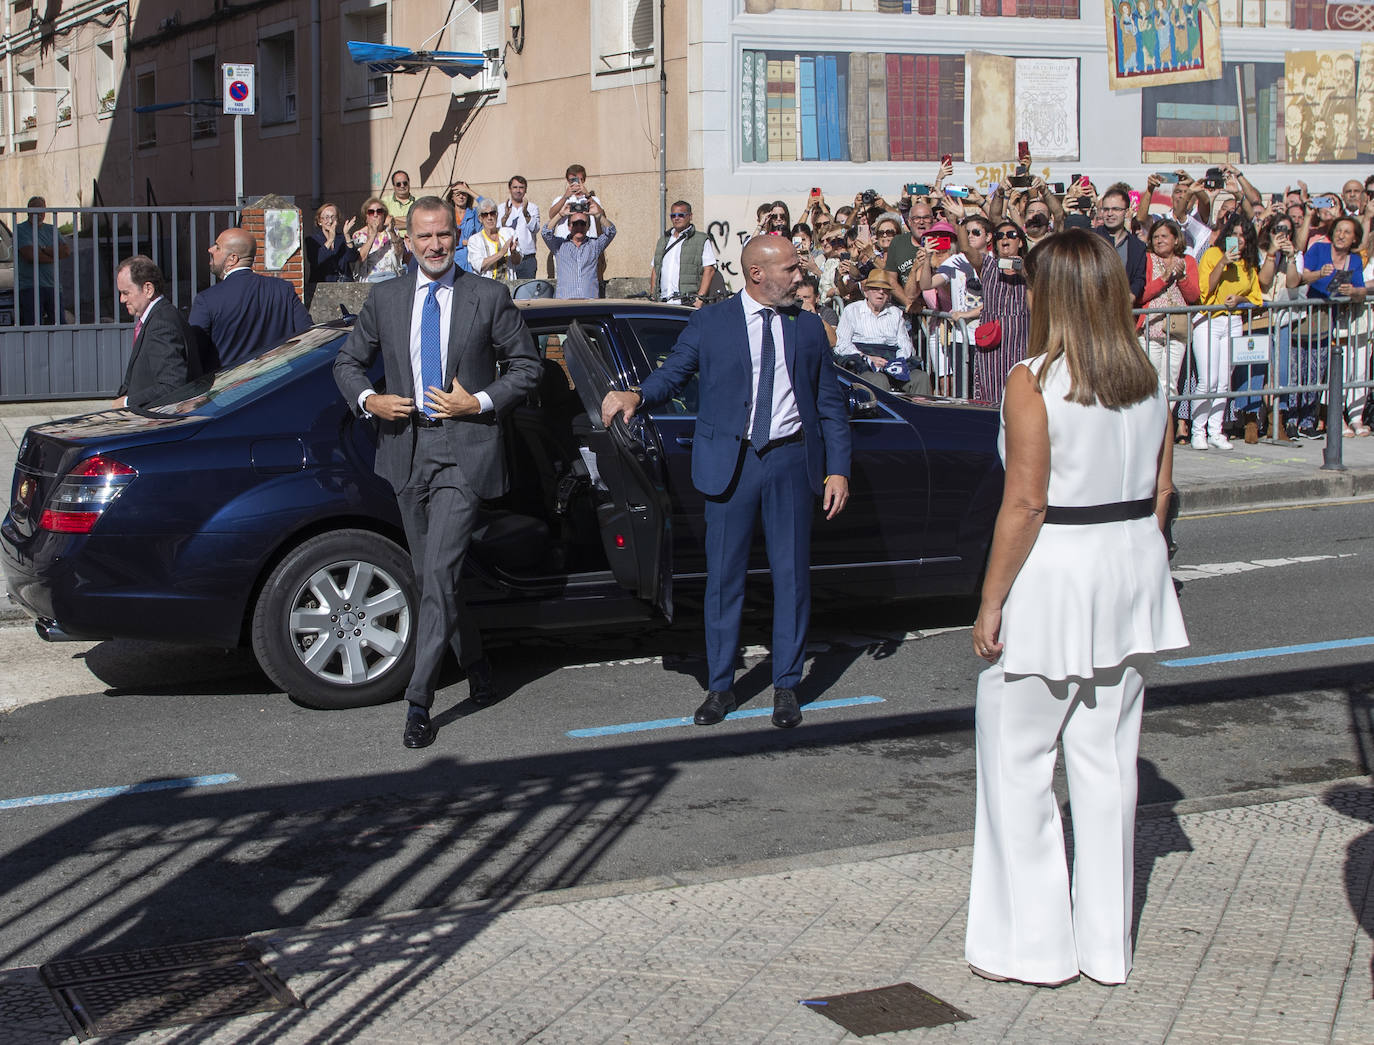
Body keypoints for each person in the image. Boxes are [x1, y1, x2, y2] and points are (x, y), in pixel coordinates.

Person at [965, 229, 1188, 989]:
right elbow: (1162, 494)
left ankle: (1035, 947)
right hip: (1130, 569)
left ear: (1049, 295)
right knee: (1106, 765)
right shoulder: (1149, 375)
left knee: (1017, 762)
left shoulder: (1033, 380)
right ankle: (1104, 948)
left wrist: (991, 600)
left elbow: (1024, 502)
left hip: (1058, 573)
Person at [600, 236, 852, 730]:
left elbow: (830, 403)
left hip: (789, 462)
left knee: (792, 579)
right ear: (757, 273)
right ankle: (720, 687)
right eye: (790, 271)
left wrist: (838, 468)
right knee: (723, 581)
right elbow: (673, 375)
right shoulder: (711, 322)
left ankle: (786, 684)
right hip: (730, 464)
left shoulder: (807, 330)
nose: (799, 279)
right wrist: (636, 395)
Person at [333, 196, 541, 749]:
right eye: (423, 236)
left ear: (458, 237)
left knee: (442, 573)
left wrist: (477, 401)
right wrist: (370, 400)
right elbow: (347, 363)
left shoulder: (489, 296)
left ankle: (419, 701)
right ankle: (476, 662)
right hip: (406, 450)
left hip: (465, 452)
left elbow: (527, 367)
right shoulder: (387, 298)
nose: (433, 245)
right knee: (430, 579)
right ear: (407, 240)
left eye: (443, 235)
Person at [189, 227, 312, 372]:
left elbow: (193, 354)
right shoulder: (283, 289)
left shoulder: (206, 300)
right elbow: (307, 335)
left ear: (232, 259)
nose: (210, 249)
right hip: (278, 382)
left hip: (230, 389)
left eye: (217, 247)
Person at [1192, 213, 1261, 450]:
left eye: (1243, 236)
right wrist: (1223, 263)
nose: (1239, 240)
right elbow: (1204, 290)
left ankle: (1215, 430)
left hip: (1233, 321)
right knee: (1207, 381)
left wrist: (1240, 298)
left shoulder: (1248, 262)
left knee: (1223, 382)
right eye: (1234, 234)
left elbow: (1255, 296)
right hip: (1209, 320)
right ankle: (1197, 430)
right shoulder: (1213, 254)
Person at [1301, 215, 1368, 437]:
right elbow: (1302, 277)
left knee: (1350, 369)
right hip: (1315, 318)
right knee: (1317, 370)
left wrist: (1353, 292)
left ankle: (1350, 417)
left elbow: (1360, 290)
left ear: (1354, 238)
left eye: (1347, 232)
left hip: (1342, 320)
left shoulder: (1355, 260)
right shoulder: (1318, 249)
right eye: (1339, 230)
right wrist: (1320, 274)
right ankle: (1325, 417)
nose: (1341, 235)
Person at [1138, 218, 1199, 432]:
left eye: (1164, 236)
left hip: (1177, 330)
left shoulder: (1187, 261)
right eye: (1155, 237)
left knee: (1170, 382)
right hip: (1150, 329)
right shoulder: (1146, 260)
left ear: (1175, 239)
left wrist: (1181, 276)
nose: (1159, 240)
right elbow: (1141, 294)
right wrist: (1164, 277)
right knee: (1151, 381)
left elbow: (1193, 296)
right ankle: (1148, 425)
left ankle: (1162, 426)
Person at [114, 255, 198, 408]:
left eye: (126, 293)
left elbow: (172, 386)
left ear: (148, 289)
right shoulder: (158, 317)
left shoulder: (162, 323)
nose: (122, 299)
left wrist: (126, 402)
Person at [834, 270, 924, 394]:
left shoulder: (896, 313)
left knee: (920, 377)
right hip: (863, 362)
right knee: (879, 380)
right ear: (866, 292)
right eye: (876, 289)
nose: (881, 292)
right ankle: (886, 413)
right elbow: (842, 345)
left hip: (892, 361)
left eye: (885, 290)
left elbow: (906, 344)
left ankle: (919, 413)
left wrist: (895, 363)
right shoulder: (852, 310)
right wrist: (867, 358)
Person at [542, 196, 616, 299]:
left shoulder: (594, 245)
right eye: (575, 224)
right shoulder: (559, 246)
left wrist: (598, 215)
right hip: (565, 303)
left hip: (589, 303)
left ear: (588, 227)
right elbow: (546, 233)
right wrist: (560, 215)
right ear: (569, 226)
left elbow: (611, 231)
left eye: (582, 223)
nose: (579, 227)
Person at [15, 196, 70, 326]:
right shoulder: (20, 229)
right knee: (34, 326)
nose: (39, 215)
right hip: (30, 286)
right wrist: (54, 255)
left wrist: (43, 249)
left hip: (53, 285)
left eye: (42, 211)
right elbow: (30, 255)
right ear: (28, 211)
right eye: (36, 211)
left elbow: (66, 251)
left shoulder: (51, 229)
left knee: (59, 324)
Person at [650, 201, 718, 305]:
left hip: (687, 301)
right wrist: (653, 296)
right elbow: (655, 269)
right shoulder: (663, 241)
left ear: (690, 216)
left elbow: (709, 270)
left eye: (681, 215)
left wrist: (700, 299)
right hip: (663, 302)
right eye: (673, 216)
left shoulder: (701, 239)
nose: (676, 218)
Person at [1094, 183, 1148, 301]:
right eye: (1106, 209)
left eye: (1116, 209)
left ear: (1126, 212)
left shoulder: (1138, 246)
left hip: (1122, 310)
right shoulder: (1090, 238)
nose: (1109, 214)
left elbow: (1140, 278)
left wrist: (1132, 294)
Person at [304, 202, 359, 301]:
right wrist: (330, 240)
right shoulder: (312, 240)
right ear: (319, 221)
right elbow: (316, 260)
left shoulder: (342, 238)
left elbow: (353, 257)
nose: (329, 221)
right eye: (326, 217)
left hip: (343, 287)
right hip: (321, 289)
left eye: (333, 217)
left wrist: (347, 235)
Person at [352, 197, 406, 283]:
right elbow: (359, 258)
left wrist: (391, 232)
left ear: (384, 215)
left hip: (390, 279)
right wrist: (372, 235)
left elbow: (399, 253)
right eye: (371, 212)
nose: (375, 215)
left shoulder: (391, 232)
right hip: (369, 281)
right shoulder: (359, 235)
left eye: (379, 211)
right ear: (366, 217)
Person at [497, 175, 541, 280]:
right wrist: (506, 216)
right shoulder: (501, 208)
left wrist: (526, 213)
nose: (518, 190)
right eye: (515, 187)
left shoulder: (532, 207)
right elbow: (497, 231)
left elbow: (535, 229)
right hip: (507, 259)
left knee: (527, 293)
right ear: (510, 189)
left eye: (521, 187)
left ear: (525, 190)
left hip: (527, 259)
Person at [467, 200, 520, 281]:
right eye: (485, 214)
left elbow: (517, 261)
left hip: (509, 285)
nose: (489, 217)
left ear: (497, 215)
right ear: (480, 218)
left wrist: (513, 252)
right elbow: (480, 265)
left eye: (492, 213)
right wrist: (502, 252)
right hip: (487, 287)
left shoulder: (509, 232)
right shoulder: (474, 240)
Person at [549, 164, 600, 239]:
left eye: (579, 180)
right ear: (568, 181)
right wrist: (565, 197)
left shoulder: (593, 199)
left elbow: (602, 216)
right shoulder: (560, 199)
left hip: (588, 243)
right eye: (572, 180)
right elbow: (551, 216)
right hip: (564, 242)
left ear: (584, 180)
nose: (576, 183)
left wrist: (587, 195)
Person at [446, 181, 483, 271]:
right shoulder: (446, 215)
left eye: (464, 194)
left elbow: (487, 204)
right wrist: (461, 242)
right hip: (453, 260)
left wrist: (468, 190)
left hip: (473, 260)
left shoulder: (474, 213)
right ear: (452, 197)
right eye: (458, 194)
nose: (461, 197)